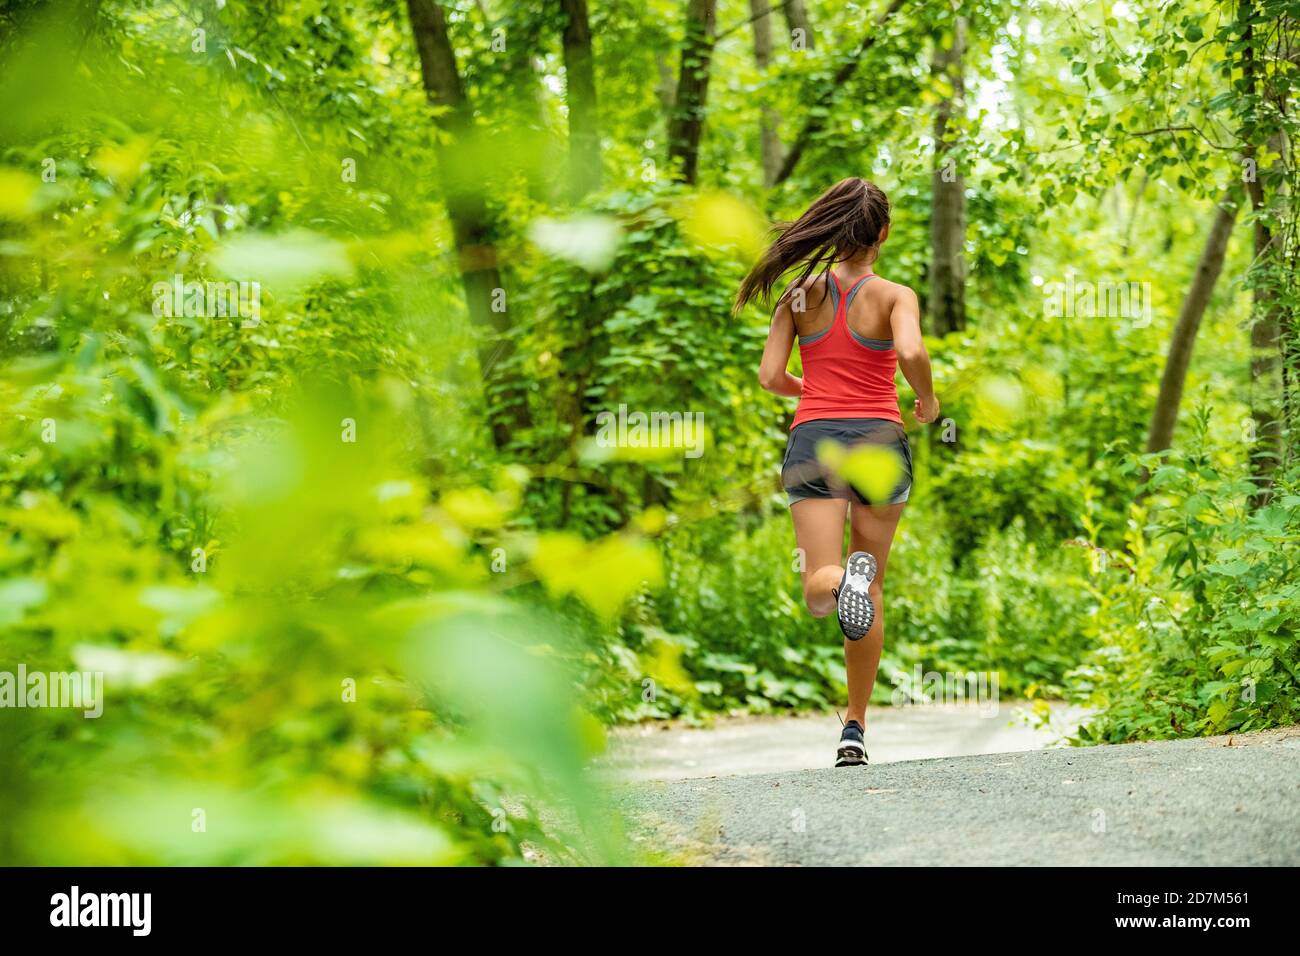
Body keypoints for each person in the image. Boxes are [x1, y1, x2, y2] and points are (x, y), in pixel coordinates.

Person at [735, 177, 940, 768]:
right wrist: (926, 399)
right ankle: (855, 725)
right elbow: (910, 353)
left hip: (815, 441)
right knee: (871, 589)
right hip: (879, 440)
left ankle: (836, 582)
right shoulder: (896, 295)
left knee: (820, 586)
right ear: (882, 233)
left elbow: (771, 376)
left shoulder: (797, 296)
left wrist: (815, 391)